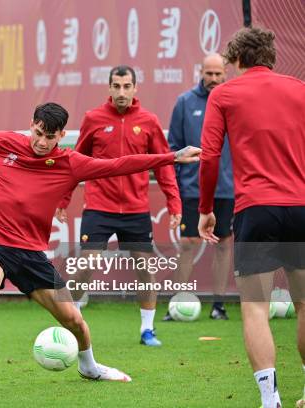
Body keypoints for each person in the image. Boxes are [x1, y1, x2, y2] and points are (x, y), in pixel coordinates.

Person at [0, 102, 201, 381]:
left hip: (31, 254)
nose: (41, 142)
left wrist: (172, 157)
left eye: (49, 137)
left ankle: (90, 367)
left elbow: (119, 164)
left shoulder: (69, 163)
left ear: (61, 135)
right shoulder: (2, 144)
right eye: (37, 133)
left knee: (74, 320)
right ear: (31, 125)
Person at [197, 27, 305, 408]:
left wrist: (206, 209)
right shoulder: (299, 89)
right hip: (302, 207)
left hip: (255, 210)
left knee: (255, 306)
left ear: (237, 60)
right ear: (272, 57)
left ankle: (269, 399)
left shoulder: (224, 93)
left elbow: (209, 156)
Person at [56, 66, 181, 346]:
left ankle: (147, 330)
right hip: (99, 206)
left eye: (127, 86)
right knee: (87, 264)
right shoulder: (93, 119)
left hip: (136, 209)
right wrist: (63, 199)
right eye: (117, 86)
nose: (122, 92)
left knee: (145, 269)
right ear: (109, 88)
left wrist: (174, 203)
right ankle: (72, 321)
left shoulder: (148, 121)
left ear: (135, 88)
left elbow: (163, 166)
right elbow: (76, 162)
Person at [167, 53, 234, 321]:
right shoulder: (185, 102)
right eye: (209, 73)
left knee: (223, 245)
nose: (213, 79)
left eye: (218, 74)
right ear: (201, 72)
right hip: (192, 188)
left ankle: (218, 305)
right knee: (188, 244)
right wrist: (174, 187)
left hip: (228, 188)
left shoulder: (234, 102)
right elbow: (173, 148)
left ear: (225, 74)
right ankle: (177, 303)